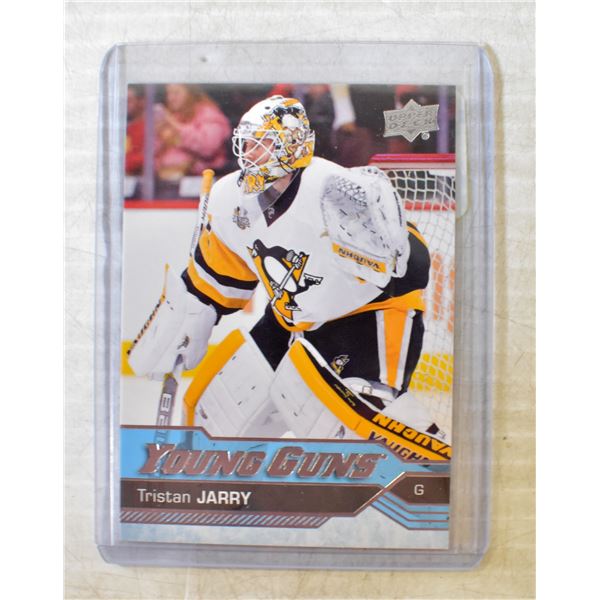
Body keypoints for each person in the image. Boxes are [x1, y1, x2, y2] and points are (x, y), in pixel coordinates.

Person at [129, 96, 446, 455]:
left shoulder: (334, 189)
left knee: (356, 426)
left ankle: (431, 465)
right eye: (247, 142)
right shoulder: (228, 197)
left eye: (262, 142)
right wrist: (184, 319)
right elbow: (217, 276)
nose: (250, 152)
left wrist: (392, 246)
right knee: (214, 420)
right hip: (288, 322)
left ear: (292, 145)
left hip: (365, 319)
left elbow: (409, 270)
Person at [154, 84, 231, 195]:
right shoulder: (172, 116)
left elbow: (208, 146)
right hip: (165, 183)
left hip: (198, 186)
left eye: (176, 93)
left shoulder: (209, 114)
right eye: (168, 93)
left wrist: (175, 125)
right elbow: (152, 154)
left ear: (190, 93)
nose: (170, 98)